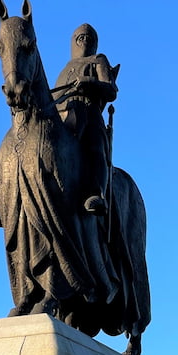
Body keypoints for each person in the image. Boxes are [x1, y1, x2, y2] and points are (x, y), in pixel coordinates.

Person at [52, 24, 119, 215]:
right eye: (79, 38)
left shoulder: (98, 60)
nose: (83, 41)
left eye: (87, 38)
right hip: (63, 115)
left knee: (95, 143)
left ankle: (95, 191)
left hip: (88, 112)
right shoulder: (65, 68)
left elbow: (111, 90)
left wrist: (88, 83)